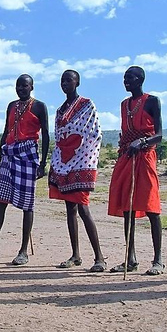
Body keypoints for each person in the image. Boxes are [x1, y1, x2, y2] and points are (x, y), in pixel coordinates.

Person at [0, 74, 49, 266]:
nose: (21, 89)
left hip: (27, 155)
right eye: (18, 86)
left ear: (32, 87)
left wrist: (42, 164)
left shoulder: (39, 106)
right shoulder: (11, 106)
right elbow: (6, 132)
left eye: (24, 86)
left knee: (27, 204)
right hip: (8, 154)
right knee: (0, 201)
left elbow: (46, 135)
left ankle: (23, 251)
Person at [108, 67, 164, 275]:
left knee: (151, 207)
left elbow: (159, 135)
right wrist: (127, 147)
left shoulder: (152, 101)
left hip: (146, 156)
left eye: (130, 78)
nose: (126, 81)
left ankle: (158, 260)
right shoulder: (124, 105)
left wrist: (142, 142)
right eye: (124, 78)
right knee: (127, 208)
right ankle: (130, 259)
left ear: (140, 79)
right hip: (127, 156)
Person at [49, 70, 106, 272]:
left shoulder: (86, 105)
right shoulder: (59, 110)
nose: (65, 83)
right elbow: (60, 136)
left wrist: (80, 156)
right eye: (62, 80)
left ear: (77, 82)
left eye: (69, 80)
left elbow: (93, 133)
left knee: (83, 208)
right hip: (65, 162)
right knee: (70, 209)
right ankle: (75, 255)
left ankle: (99, 258)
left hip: (81, 161)